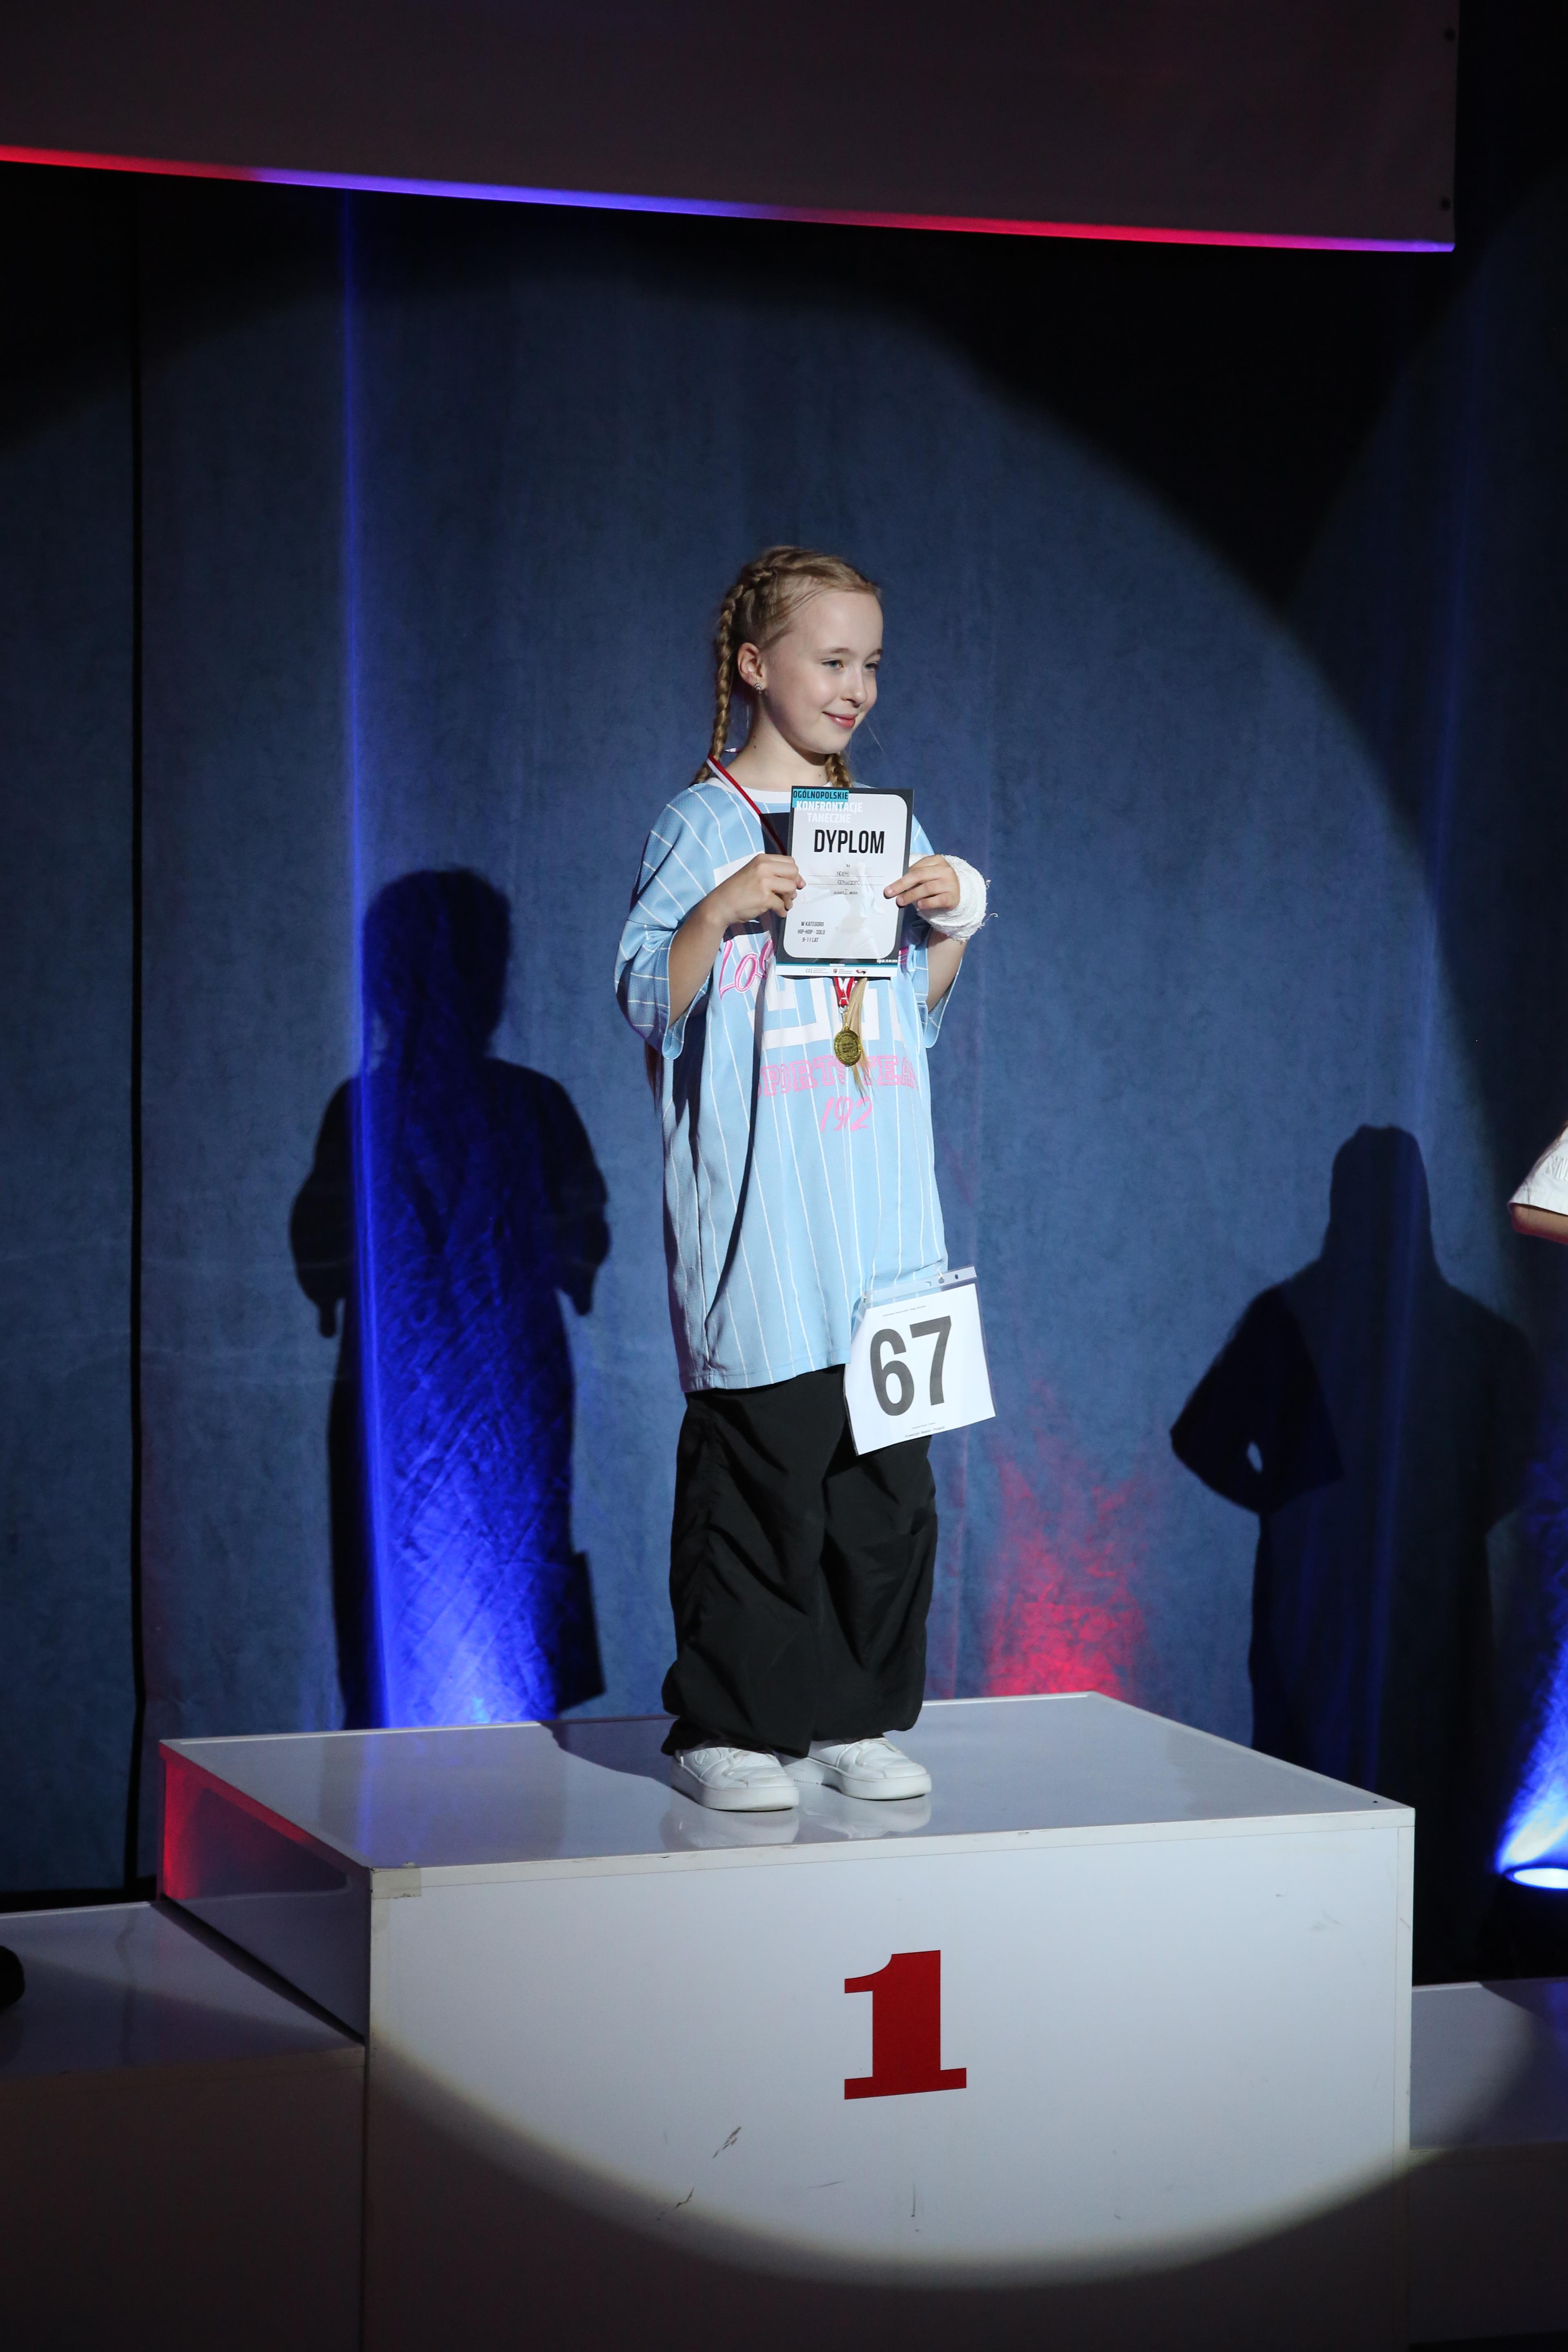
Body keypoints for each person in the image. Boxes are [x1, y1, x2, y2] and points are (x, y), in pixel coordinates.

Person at [615, 546, 988, 1812]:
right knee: (764, 1483)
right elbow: (644, 996)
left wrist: (952, 924)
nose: (855, 688)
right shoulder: (701, 821)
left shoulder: (884, 824)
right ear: (754, 664)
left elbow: (910, 1017)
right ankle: (729, 1725)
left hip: (888, 1228)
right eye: (832, 660)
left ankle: (853, 1715)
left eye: (871, 664)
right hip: (772, 1233)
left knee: (888, 1497)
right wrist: (718, 910)